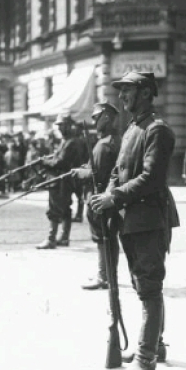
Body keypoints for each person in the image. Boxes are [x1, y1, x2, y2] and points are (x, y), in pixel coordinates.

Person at [91, 72, 180, 370]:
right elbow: (119, 170)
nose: (122, 96)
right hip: (131, 219)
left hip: (150, 219)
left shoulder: (158, 130)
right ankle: (154, 344)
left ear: (145, 92)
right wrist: (107, 195)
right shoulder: (133, 128)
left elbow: (151, 178)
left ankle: (146, 358)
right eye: (121, 90)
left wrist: (114, 196)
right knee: (144, 283)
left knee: (149, 287)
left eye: (128, 90)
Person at [71, 101, 121, 290]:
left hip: (99, 198)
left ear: (106, 117)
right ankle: (109, 276)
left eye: (96, 117)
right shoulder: (117, 140)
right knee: (109, 237)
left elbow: (96, 174)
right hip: (110, 197)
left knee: (102, 238)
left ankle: (104, 276)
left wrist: (79, 172)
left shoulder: (103, 145)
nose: (94, 121)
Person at [37, 114, 82, 249]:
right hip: (62, 180)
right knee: (65, 209)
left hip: (61, 181)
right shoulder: (66, 141)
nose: (60, 129)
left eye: (62, 126)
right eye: (59, 126)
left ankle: (51, 239)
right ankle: (64, 238)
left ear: (69, 126)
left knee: (54, 209)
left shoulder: (71, 142)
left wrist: (45, 162)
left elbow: (61, 162)